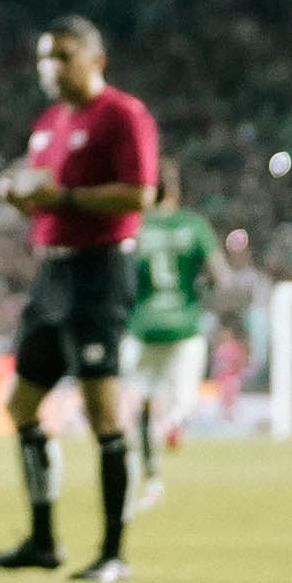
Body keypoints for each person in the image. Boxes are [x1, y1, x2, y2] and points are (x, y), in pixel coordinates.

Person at [0, 17, 158, 582]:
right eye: (44, 58)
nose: (51, 68)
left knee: (105, 412)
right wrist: (21, 196)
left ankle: (114, 552)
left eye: (63, 56)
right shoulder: (49, 123)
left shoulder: (123, 115)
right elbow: (45, 198)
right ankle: (43, 540)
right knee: (21, 407)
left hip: (100, 272)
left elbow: (140, 193)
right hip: (52, 275)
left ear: (96, 59)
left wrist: (62, 195)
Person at [121, 158, 223, 510]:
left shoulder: (136, 226)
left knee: (140, 406)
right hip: (184, 325)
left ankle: (150, 481)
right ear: (176, 190)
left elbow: (120, 275)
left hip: (143, 326)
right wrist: (194, 290)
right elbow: (219, 276)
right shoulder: (194, 226)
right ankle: (175, 423)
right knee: (181, 402)